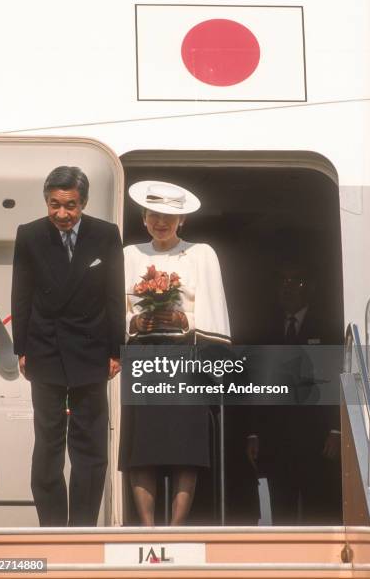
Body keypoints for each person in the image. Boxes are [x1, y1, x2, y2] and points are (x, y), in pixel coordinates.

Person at [11, 166, 125, 527]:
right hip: (45, 350)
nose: (62, 214)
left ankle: (83, 529)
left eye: (70, 206)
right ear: (47, 202)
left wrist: (115, 350)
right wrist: (21, 349)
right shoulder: (29, 235)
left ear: (83, 203)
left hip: (92, 352)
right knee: (48, 444)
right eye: (55, 205)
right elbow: (22, 294)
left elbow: (113, 295)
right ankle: (52, 527)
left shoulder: (105, 235)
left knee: (90, 447)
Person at [118, 180, 231, 526]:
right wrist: (136, 322)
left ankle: (176, 530)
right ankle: (148, 531)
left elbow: (214, 312)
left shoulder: (202, 253)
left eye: (169, 215)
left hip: (186, 360)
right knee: (142, 452)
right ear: (144, 217)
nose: (161, 222)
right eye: (154, 214)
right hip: (142, 358)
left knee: (186, 450)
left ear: (182, 220)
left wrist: (184, 318)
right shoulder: (128, 255)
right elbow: (114, 311)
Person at [246, 261, 342, 525]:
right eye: (283, 282)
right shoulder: (265, 329)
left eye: (296, 282)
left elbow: (337, 377)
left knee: (319, 505)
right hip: (276, 434)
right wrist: (253, 432)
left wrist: (336, 429)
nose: (288, 289)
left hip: (317, 434)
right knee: (281, 506)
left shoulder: (328, 327)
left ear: (310, 288)